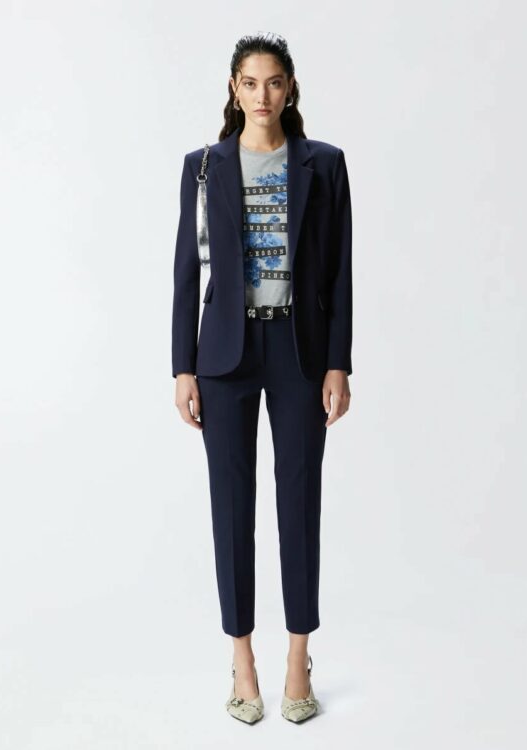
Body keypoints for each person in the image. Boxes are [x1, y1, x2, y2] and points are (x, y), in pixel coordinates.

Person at [171, 31, 353, 724]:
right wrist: (182, 367)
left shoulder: (323, 164)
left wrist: (338, 362)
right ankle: (242, 658)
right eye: (250, 83)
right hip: (224, 356)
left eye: (274, 82)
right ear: (234, 88)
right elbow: (186, 272)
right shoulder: (202, 168)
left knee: (299, 502)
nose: (263, 95)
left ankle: (298, 658)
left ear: (290, 87)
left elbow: (340, 271)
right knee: (232, 507)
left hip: (300, 352)